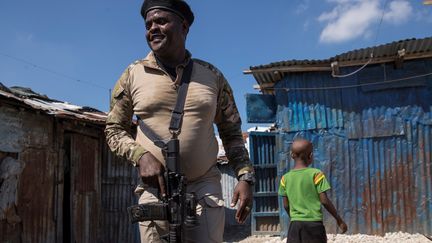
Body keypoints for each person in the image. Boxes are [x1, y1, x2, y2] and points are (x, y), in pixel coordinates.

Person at [104, 0, 255, 242]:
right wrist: (139, 155)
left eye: (161, 21)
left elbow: (231, 132)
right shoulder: (132, 74)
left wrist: (244, 176)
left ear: (183, 26)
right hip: (156, 191)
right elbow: (114, 129)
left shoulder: (212, 76)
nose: (153, 28)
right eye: (148, 24)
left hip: (203, 186)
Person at [278, 138, 347, 243]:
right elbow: (324, 201)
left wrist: (295, 217)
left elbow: (286, 205)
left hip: (295, 226)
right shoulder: (316, 174)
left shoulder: (285, 178)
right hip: (314, 226)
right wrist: (339, 220)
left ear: (292, 155)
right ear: (310, 156)